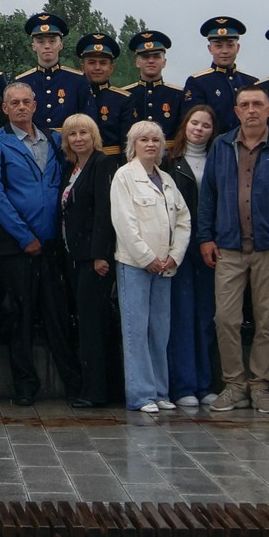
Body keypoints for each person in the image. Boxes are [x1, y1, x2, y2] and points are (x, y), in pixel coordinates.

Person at [197, 88, 269, 413]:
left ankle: (260, 386)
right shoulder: (222, 146)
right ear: (236, 110)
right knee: (226, 319)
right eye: (245, 105)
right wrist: (206, 236)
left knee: (267, 321)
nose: (251, 110)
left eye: (257, 104)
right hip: (228, 247)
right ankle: (234, 385)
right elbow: (209, 195)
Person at [0, 81, 79, 405]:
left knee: (58, 315)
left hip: (52, 244)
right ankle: (25, 386)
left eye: (26, 102)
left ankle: (73, 384)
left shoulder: (55, 138)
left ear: (35, 105)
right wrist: (25, 237)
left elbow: (67, 183)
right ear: (5, 109)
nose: (21, 107)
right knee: (19, 317)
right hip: (16, 245)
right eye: (14, 103)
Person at [110, 119, 191, 415]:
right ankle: (141, 395)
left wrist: (174, 255)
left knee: (160, 330)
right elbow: (125, 222)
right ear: (133, 145)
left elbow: (183, 221)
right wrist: (147, 258)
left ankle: (160, 391)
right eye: (144, 140)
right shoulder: (124, 176)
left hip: (165, 267)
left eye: (155, 140)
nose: (150, 145)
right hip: (136, 265)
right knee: (136, 330)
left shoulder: (166, 180)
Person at [56, 113, 121, 406]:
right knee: (86, 322)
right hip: (74, 256)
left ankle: (97, 392)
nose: (78, 138)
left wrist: (99, 255)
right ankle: (99, 387)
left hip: (94, 259)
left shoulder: (103, 163)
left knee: (95, 326)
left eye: (84, 132)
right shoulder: (71, 168)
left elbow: (104, 213)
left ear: (94, 135)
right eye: (72, 134)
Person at [161, 105, 219, 408]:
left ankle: (206, 383)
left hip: (211, 245)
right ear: (185, 126)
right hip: (180, 247)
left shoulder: (220, 160)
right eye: (194, 123)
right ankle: (183, 385)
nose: (199, 129)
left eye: (206, 125)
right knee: (182, 316)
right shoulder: (170, 161)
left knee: (207, 315)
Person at [16, 12, 89, 135]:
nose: (47, 46)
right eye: (40, 42)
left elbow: (87, 120)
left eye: (52, 41)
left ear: (61, 45)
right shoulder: (23, 82)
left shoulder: (77, 80)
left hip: (69, 145)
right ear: (33, 46)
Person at [181, 17, 257, 124]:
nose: (225, 51)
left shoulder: (251, 82)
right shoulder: (198, 82)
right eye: (218, 46)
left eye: (230, 45)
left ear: (238, 48)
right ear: (210, 48)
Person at [75, 32, 134, 156]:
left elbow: (127, 142)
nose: (97, 67)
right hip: (79, 162)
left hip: (111, 164)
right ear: (82, 67)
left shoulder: (123, 99)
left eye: (103, 63)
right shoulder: (74, 95)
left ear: (111, 68)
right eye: (91, 62)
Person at [125, 30, 188, 138]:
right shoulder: (125, 95)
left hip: (170, 153)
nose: (151, 61)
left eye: (156, 56)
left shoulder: (178, 94)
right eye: (145, 57)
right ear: (137, 62)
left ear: (164, 62)